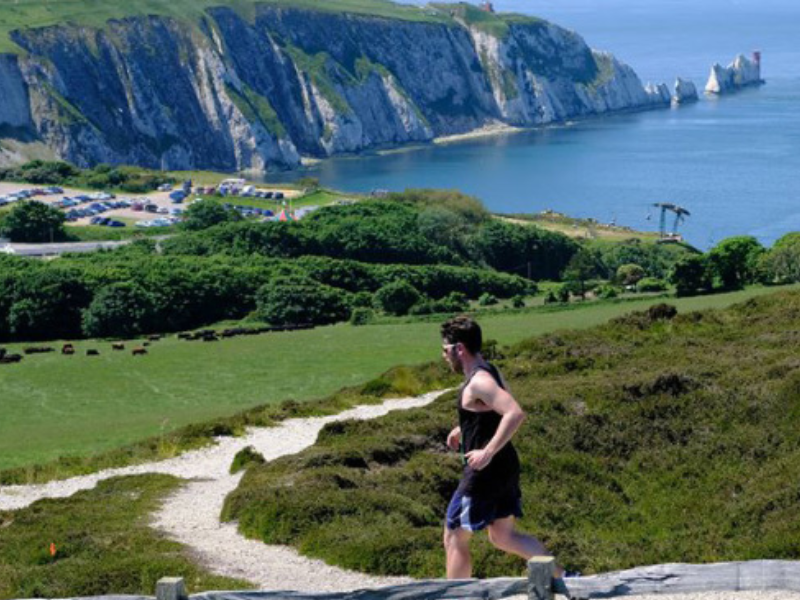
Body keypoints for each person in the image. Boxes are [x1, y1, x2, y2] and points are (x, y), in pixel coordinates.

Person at [440, 315, 561, 579]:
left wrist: (486, 451)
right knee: (503, 536)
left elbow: (514, 412)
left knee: (454, 536)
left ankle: (458, 599)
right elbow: (496, 409)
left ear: (460, 348)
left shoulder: (479, 382)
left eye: (445, 350)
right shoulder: (490, 370)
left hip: (485, 472)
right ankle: (561, 578)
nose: (443, 356)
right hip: (505, 467)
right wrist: (465, 428)